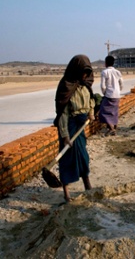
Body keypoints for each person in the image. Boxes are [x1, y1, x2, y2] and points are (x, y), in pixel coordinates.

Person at [54, 54, 96, 203]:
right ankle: (66, 193)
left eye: (87, 72)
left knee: (83, 156)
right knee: (67, 158)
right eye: (83, 72)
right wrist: (65, 136)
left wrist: (91, 113)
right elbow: (63, 115)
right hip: (70, 126)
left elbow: (91, 100)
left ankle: (87, 184)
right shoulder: (66, 86)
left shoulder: (86, 85)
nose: (85, 75)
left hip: (81, 127)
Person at [98, 55, 123, 136]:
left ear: (105, 63)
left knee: (103, 112)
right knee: (114, 112)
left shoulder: (104, 72)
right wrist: (118, 91)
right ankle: (113, 128)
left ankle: (111, 129)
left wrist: (105, 93)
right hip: (117, 95)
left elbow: (103, 86)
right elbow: (121, 84)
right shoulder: (118, 72)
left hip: (109, 95)